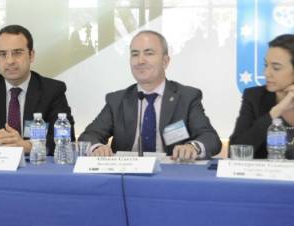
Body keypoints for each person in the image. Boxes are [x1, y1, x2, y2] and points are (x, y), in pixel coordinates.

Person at [78, 30, 221, 160]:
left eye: (149, 53)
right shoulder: (117, 100)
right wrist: (97, 147)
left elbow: (210, 138)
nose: (140, 61)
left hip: (171, 174)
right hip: (126, 175)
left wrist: (193, 147)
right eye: (135, 54)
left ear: (165, 61)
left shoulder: (187, 97)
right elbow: (89, 136)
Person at [0, 25, 74, 155]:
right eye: (3, 54)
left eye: (17, 53)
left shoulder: (52, 90)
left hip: (35, 165)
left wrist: (28, 146)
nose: (10, 61)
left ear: (31, 55)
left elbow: (67, 137)